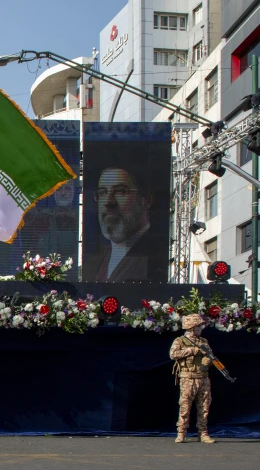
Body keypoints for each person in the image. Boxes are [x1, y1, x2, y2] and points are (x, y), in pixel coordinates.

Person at [84, 167, 166, 282]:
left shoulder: (157, 256)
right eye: (102, 192)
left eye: (120, 191)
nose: (108, 202)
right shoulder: (93, 263)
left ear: (146, 200)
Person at [170, 314, 217, 444]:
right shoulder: (180, 341)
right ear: (191, 328)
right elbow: (173, 354)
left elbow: (211, 356)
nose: (200, 329)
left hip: (202, 378)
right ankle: (181, 433)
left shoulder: (203, 341)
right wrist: (192, 351)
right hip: (188, 378)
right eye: (198, 326)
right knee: (185, 406)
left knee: (204, 407)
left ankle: (203, 433)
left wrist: (206, 361)